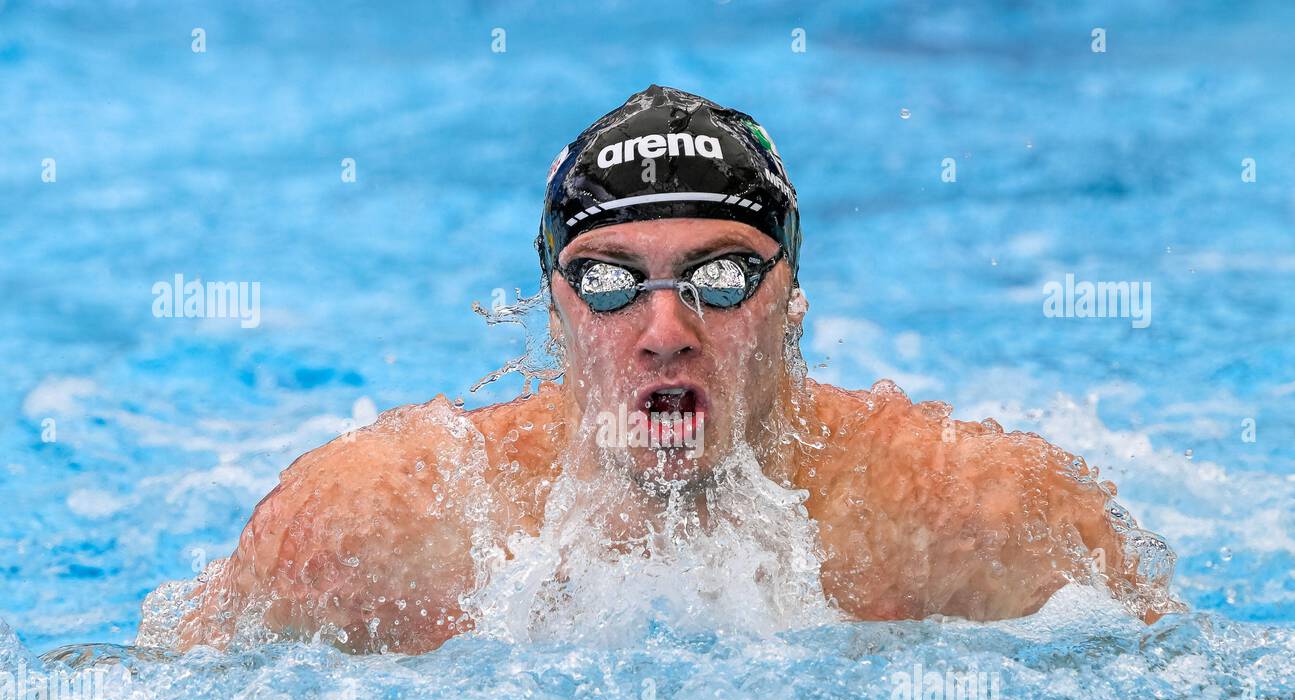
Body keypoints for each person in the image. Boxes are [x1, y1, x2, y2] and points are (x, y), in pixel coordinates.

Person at [173, 85, 1179, 654]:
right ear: (553, 307)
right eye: (609, 279)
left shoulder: (975, 515)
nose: (664, 327)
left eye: (723, 273)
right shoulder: (377, 519)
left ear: (790, 297)